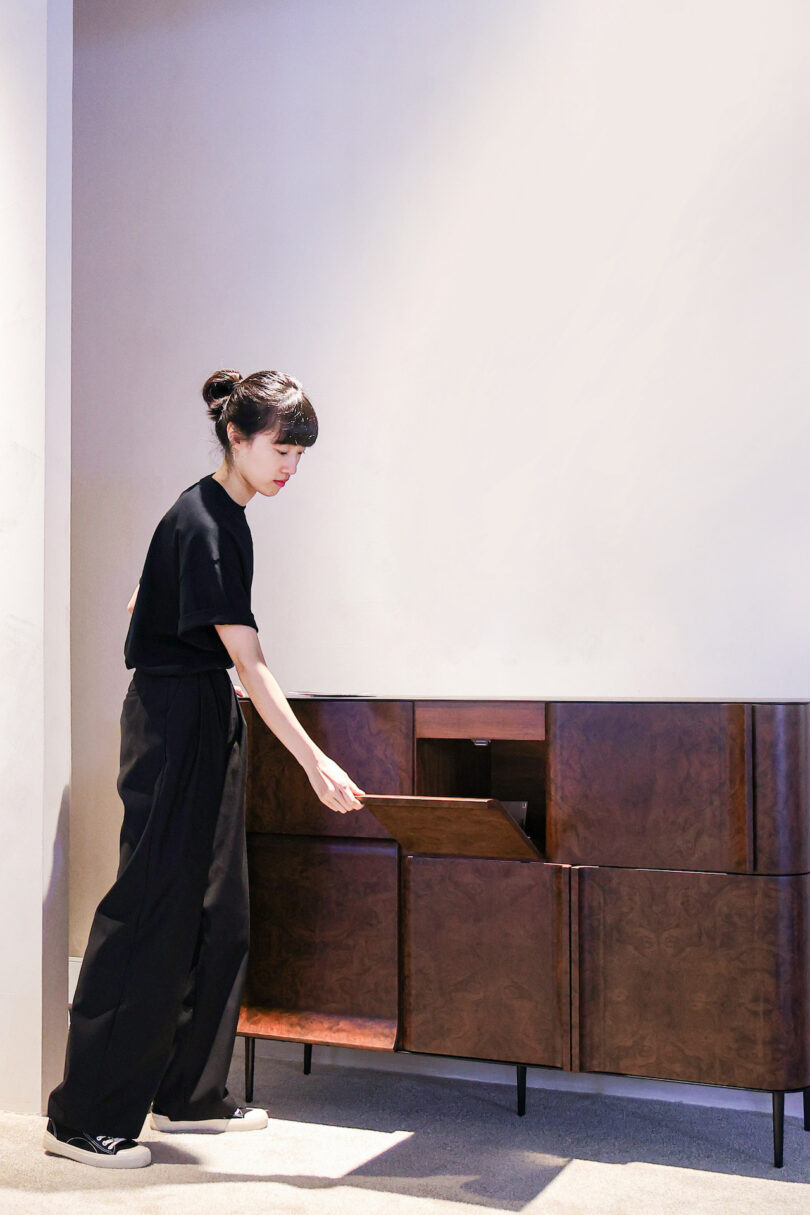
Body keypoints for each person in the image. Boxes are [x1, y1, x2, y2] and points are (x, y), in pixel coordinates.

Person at [44, 369, 366, 1168]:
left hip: (201, 708)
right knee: (150, 908)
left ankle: (187, 1092)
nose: (292, 466)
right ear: (237, 436)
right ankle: (81, 1118)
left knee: (219, 905)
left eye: (300, 453)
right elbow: (252, 666)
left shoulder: (222, 515)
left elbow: (144, 602)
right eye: (281, 448)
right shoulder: (205, 521)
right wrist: (315, 759)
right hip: (173, 716)